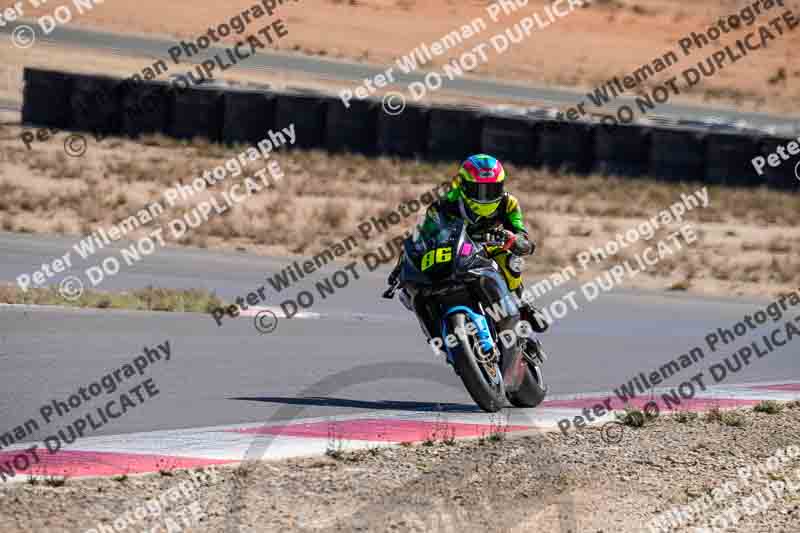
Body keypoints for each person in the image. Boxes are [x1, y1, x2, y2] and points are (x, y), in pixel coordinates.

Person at [387, 153, 548, 333]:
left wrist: (516, 240)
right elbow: (423, 233)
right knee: (411, 289)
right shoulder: (446, 202)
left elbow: (522, 235)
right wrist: (405, 260)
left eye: (492, 190)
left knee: (510, 261)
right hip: (455, 250)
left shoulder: (508, 203)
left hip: (488, 248)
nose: (485, 197)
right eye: (479, 190)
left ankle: (521, 305)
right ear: (463, 187)